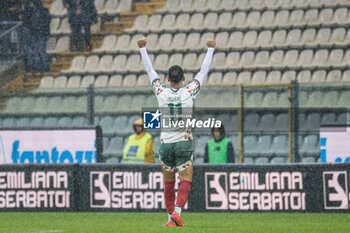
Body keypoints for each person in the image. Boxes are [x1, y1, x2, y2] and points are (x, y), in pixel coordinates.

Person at [138, 37, 215, 226]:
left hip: (166, 144)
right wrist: (210, 50)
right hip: (183, 142)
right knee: (186, 179)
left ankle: (170, 218)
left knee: (168, 183)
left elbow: (150, 71)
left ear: (167, 79)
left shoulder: (160, 92)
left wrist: (142, 49)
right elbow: (203, 72)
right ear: (183, 78)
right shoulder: (190, 91)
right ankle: (177, 212)